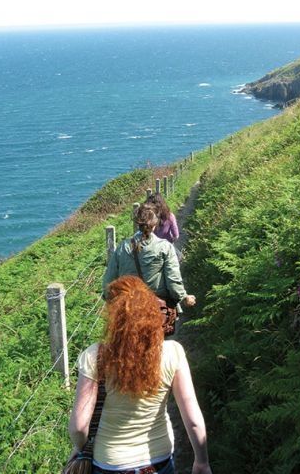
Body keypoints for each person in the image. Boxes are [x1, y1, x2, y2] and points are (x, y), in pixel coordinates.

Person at [68, 276, 212, 474]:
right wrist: (201, 462)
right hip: (158, 460)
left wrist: (80, 447)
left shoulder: (95, 356)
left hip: (109, 463)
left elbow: (78, 427)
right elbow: (193, 419)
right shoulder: (173, 352)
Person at [102, 203, 195, 308]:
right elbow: (173, 280)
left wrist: (109, 298)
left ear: (138, 223)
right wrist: (183, 297)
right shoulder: (165, 247)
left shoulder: (122, 247)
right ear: (155, 224)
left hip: (128, 305)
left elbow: (109, 280)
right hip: (156, 306)